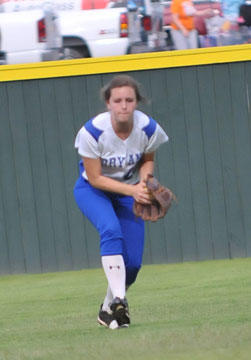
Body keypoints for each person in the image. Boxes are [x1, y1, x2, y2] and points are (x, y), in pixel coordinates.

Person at [73, 75, 169, 329]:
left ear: (137, 102)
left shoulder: (148, 128)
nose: (123, 105)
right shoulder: (92, 131)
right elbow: (95, 178)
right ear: (108, 103)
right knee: (111, 230)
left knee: (133, 264)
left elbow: (147, 159)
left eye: (129, 100)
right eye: (117, 100)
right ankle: (120, 300)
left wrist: (145, 182)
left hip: (129, 192)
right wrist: (132, 190)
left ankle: (108, 309)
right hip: (93, 190)